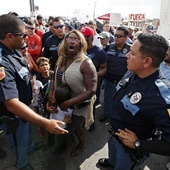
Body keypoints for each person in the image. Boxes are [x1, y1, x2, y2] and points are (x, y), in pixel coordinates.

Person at [0, 14, 68, 170]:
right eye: (23, 35)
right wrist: (45, 123)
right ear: (10, 36)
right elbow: (11, 103)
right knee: (18, 142)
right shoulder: (2, 61)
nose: (27, 37)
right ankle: (22, 164)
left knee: (26, 136)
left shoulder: (14, 50)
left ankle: (29, 148)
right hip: (14, 116)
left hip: (26, 107)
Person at [97, 33, 170, 170]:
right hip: (114, 135)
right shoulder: (132, 71)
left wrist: (138, 144)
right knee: (113, 158)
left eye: (132, 53)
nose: (127, 55)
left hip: (130, 150)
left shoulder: (161, 96)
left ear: (146, 61)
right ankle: (111, 162)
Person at [48, 29, 97, 156]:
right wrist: (51, 96)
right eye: (70, 38)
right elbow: (53, 79)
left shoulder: (86, 63)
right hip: (60, 101)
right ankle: (63, 144)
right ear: (65, 42)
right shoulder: (61, 58)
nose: (72, 41)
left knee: (75, 128)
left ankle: (81, 144)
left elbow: (91, 91)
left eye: (76, 39)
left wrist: (69, 103)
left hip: (78, 104)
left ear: (81, 43)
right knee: (61, 124)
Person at [99, 26, 131, 122]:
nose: (116, 38)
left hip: (123, 83)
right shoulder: (108, 47)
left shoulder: (131, 49)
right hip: (109, 80)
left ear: (126, 37)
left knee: (121, 102)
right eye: (115, 35)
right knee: (107, 100)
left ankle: (118, 118)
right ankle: (106, 114)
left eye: (119, 36)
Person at [80, 26, 107, 131]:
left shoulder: (99, 51)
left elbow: (104, 69)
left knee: (91, 104)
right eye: (81, 36)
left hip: (93, 84)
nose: (82, 39)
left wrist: (93, 75)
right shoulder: (78, 50)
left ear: (91, 37)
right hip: (79, 83)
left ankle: (91, 122)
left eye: (85, 36)